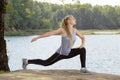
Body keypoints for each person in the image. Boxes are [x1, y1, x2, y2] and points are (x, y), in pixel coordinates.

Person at [22, 15, 91, 74]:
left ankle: (83, 68)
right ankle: (26, 61)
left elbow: (83, 37)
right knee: (45, 63)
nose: (75, 20)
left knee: (82, 49)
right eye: (73, 18)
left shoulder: (75, 30)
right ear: (68, 21)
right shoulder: (63, 30)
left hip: (69, 53)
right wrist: (38, 37)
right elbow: (50, 33)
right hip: (60, 54)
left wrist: (82, 44)